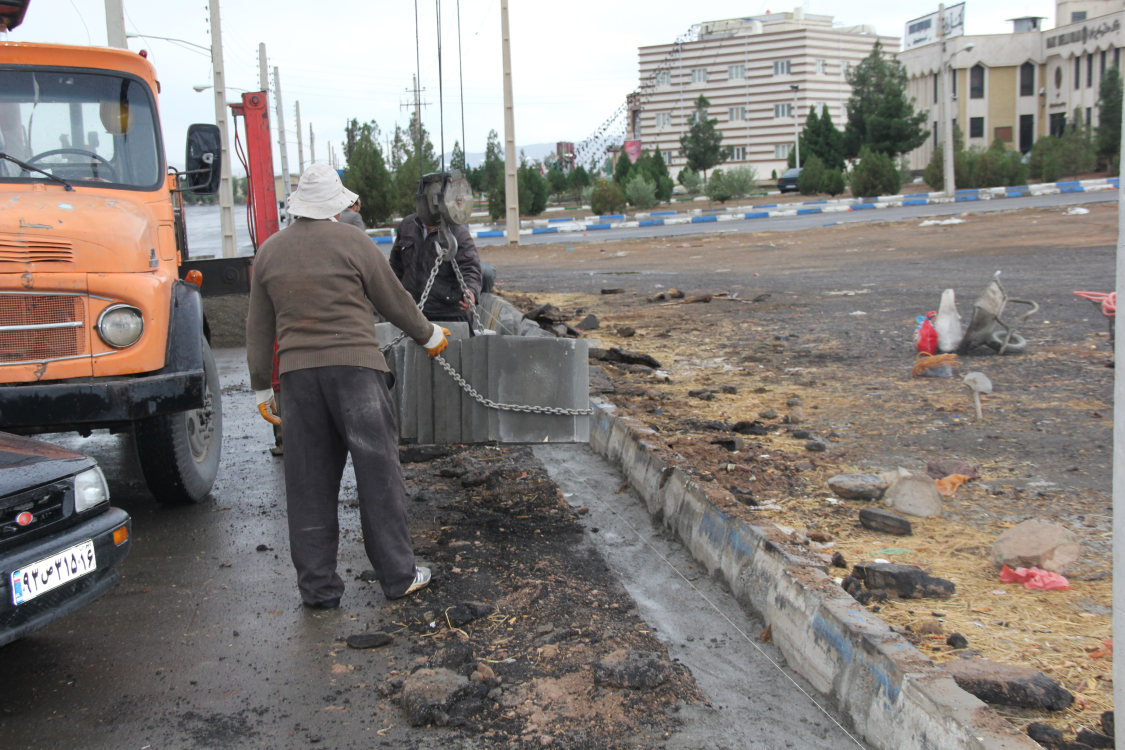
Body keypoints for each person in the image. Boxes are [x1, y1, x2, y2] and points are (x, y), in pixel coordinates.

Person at [246, 162, 449, 609]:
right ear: (337, 204)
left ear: (299, 206)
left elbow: (258, 329)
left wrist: (263, 387)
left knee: (308, 484)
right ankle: (398, 576)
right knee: (379, 477)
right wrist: (430, 335)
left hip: (299, 383)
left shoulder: (270, 252)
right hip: (357, 375)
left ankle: (318, 590)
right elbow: (393, 298)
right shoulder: (354, 241)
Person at [390, 209, 482, 329]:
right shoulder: (408, 225)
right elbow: (395, 266)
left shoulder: (458, 232)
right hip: (411, 313)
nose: (430, 206)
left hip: (448, 315)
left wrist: (470, 290)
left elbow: (470, 267)